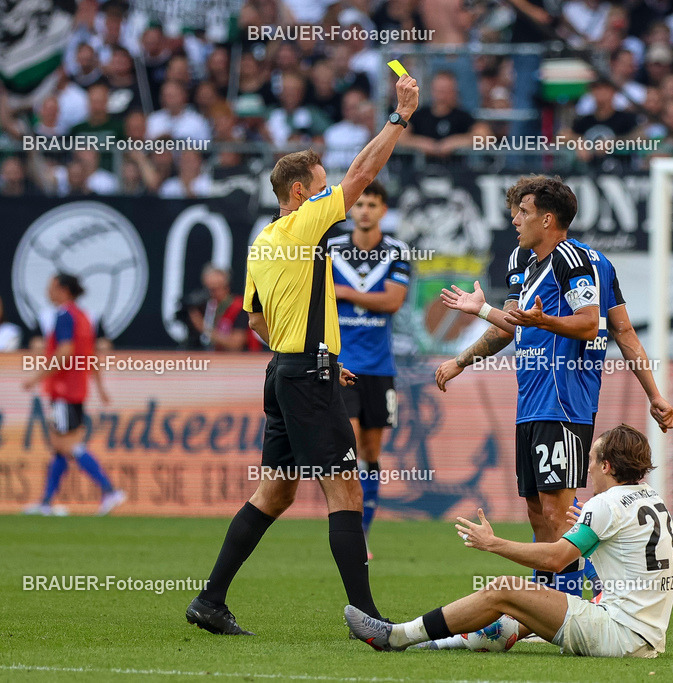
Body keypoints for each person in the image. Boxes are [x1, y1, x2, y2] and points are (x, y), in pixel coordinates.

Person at [185, 73, 419, 636]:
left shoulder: (263, 240)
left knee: (276, 490)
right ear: (299, 193)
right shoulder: (305, 223)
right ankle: (366, 617)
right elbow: (362, 174)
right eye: (320, 187)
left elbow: (258, 320)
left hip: (285, 369)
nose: (330, 195)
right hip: (306, 375)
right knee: (345, 485)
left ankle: (210, 601)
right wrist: (399, 117)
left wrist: (303, 350)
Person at [345, 424, 673, 659]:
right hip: (646, 636)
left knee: (505, 589)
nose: (588, 468)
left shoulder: (604, 504)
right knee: (511, 621)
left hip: (618, 635)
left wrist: (492, 543)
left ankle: (396, 636)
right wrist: (593, 540)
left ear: (606, 465)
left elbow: (555, 561)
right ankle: (430, 645)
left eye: (592, 460)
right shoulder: (652, 499)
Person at [438, 177, 600, 598]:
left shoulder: (573, 259)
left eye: (523, 212)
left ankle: (586, 594)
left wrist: (545, 321)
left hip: (561, 402)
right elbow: (512, 326)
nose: (515, 219)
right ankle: (547, 602)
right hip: (530, 402)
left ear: (547, 219)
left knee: (558, 510)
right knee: (535, 510)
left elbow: (589, 323)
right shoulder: (523, 263)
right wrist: (475, 327)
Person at [328, 180, 411, 556]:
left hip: (379, 367)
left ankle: (362, 532)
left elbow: (393, 301)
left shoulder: (398, 251)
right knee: (347, 444)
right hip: (342, 364)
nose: (364, 210)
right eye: (358, 203)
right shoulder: (329, 248)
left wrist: (345, 293)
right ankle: (347, 529)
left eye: (372, 204)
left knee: (371, 453)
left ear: (383, 210)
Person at [21, 274, 125, 516]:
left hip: (64, 390)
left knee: (67, 444)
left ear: (63, 290)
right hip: (78, 389)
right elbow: (91, 356)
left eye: (51, 286)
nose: (48, 290)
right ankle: (46, 503)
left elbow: (65, 351)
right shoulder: (84, 317)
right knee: (60, 446)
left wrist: (37, 378)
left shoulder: (63, 315)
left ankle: (109, 490)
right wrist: (100, 389)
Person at [186, 265, 260, 352]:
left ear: (226, 286)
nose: (212, 293)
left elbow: (236, 344)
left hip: (243, 361)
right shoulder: (210, 307)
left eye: (215, 289)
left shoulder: (239, 307)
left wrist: (203, 328)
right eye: (208, 289)